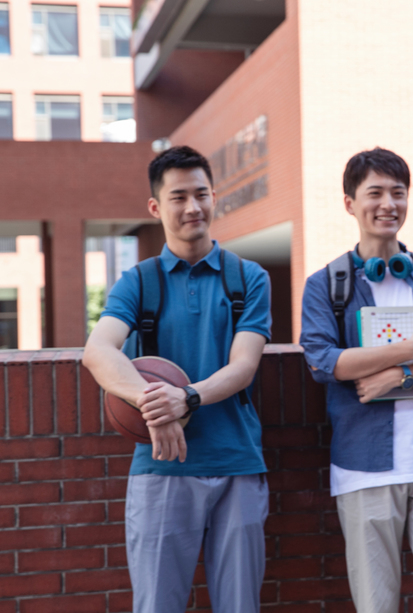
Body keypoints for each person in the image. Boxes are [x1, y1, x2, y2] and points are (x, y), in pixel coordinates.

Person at [83, 146, 272, 613]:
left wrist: (185, 398)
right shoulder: (138, 281)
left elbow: (243, 366)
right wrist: (155, 403)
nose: (192, 207)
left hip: (237, 464)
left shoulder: (249, 278)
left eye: (202, 194)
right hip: (161, 467)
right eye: (178, 196)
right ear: (156, 207)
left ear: (214, 198)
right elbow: (97, 351)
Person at [300, 147, 413, 613]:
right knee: (375, 603)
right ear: (349, 203)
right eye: (374, 193)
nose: (388, 204)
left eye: (397, 193)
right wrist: (408, 350)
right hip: (363, 469)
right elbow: (324, 361)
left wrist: (398, 376)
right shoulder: (328, 284)